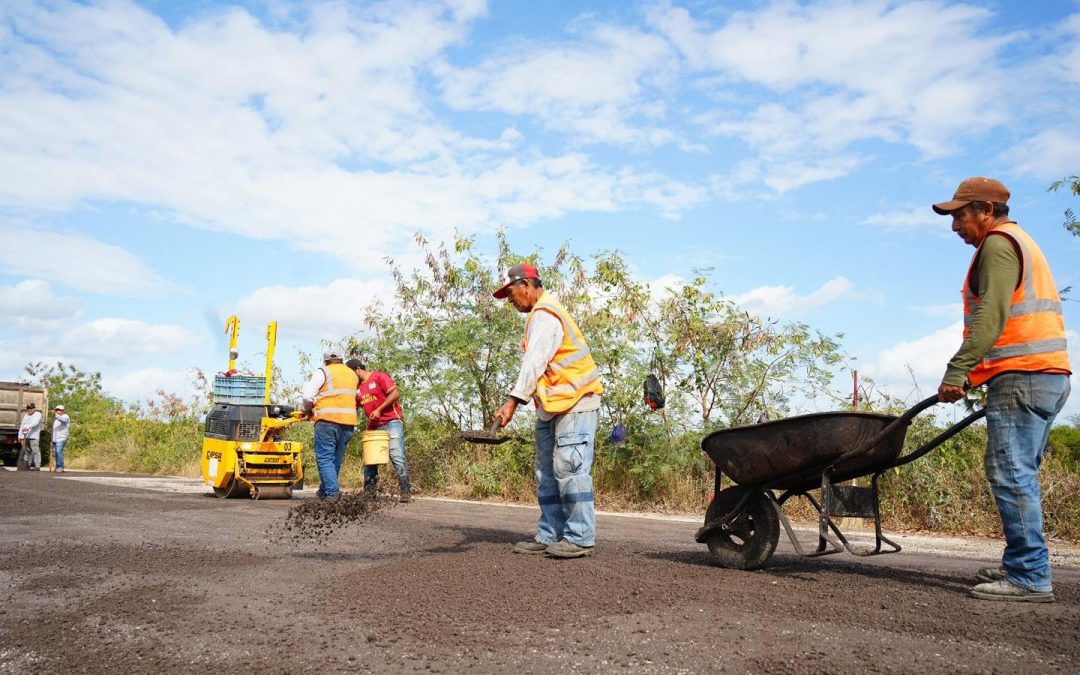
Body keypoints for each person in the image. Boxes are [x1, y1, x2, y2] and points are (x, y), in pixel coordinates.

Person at [933, 177, 1071, 603]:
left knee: (1011, 473)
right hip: (1044, 374)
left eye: (960, 214)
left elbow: (991, 318)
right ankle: (1022, 564)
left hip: (1023, 374)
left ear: (986, 211)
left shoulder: (997, 244)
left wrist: (958, 371)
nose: (954, 225)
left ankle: (1029, 575)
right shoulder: (1018, 241)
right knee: (1018, 472)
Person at [492, 263, 604, 559]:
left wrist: (513, 401)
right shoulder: (538, 316)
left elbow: (534, 363)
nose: (510, 299)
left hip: (576, 403)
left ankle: (580, 536)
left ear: (526, 286)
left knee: (570, 468)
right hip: (553, 407)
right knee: (546, 473)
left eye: (511, 293)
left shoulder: (545, 314)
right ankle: (550, 533)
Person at [346, 359, 412, 503]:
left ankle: (405, 493)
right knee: (370, 460)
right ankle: (369, 494)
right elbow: (353, 407)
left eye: (350, 374)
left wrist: (379, 409)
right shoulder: (357, 388)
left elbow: (395, 394)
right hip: (373, 426)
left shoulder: (379, 377)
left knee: (397, 457)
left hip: (392, 422)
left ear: (357, 369)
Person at [300, 351, 359, 501]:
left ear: (326, 361)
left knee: (325, 458)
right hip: (348, 423)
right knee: (335, 460)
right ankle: (324, 491)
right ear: (341, 360)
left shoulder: (324, 371)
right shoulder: (352, 374)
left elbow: (307, 396)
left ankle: (333, 493)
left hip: (327, 421)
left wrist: (307, 410)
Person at [18, 402, 43, 471]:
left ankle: (37, 465)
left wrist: (28, 427)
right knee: (26, 451)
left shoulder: (38, 414)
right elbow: (22, 426)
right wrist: (20, 436)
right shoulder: (26, 416)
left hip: (34, 436)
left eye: (31, 408)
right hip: (26, 436)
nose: (29, 410)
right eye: (28, 408)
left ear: (34, 408)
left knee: (35, 451)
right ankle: (27, 465)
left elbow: (35, 423)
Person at [51, 405, 70, 473]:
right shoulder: (56, 419)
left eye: (60, 410)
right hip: (55, 438)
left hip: (62, 437)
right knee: (56, 452)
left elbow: (62, 420)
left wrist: (55, 415)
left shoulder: (65, 416)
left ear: (63, 411)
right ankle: (57, 466)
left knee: (59, 451)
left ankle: (61, 467)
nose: (58, 411)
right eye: (57, 410)